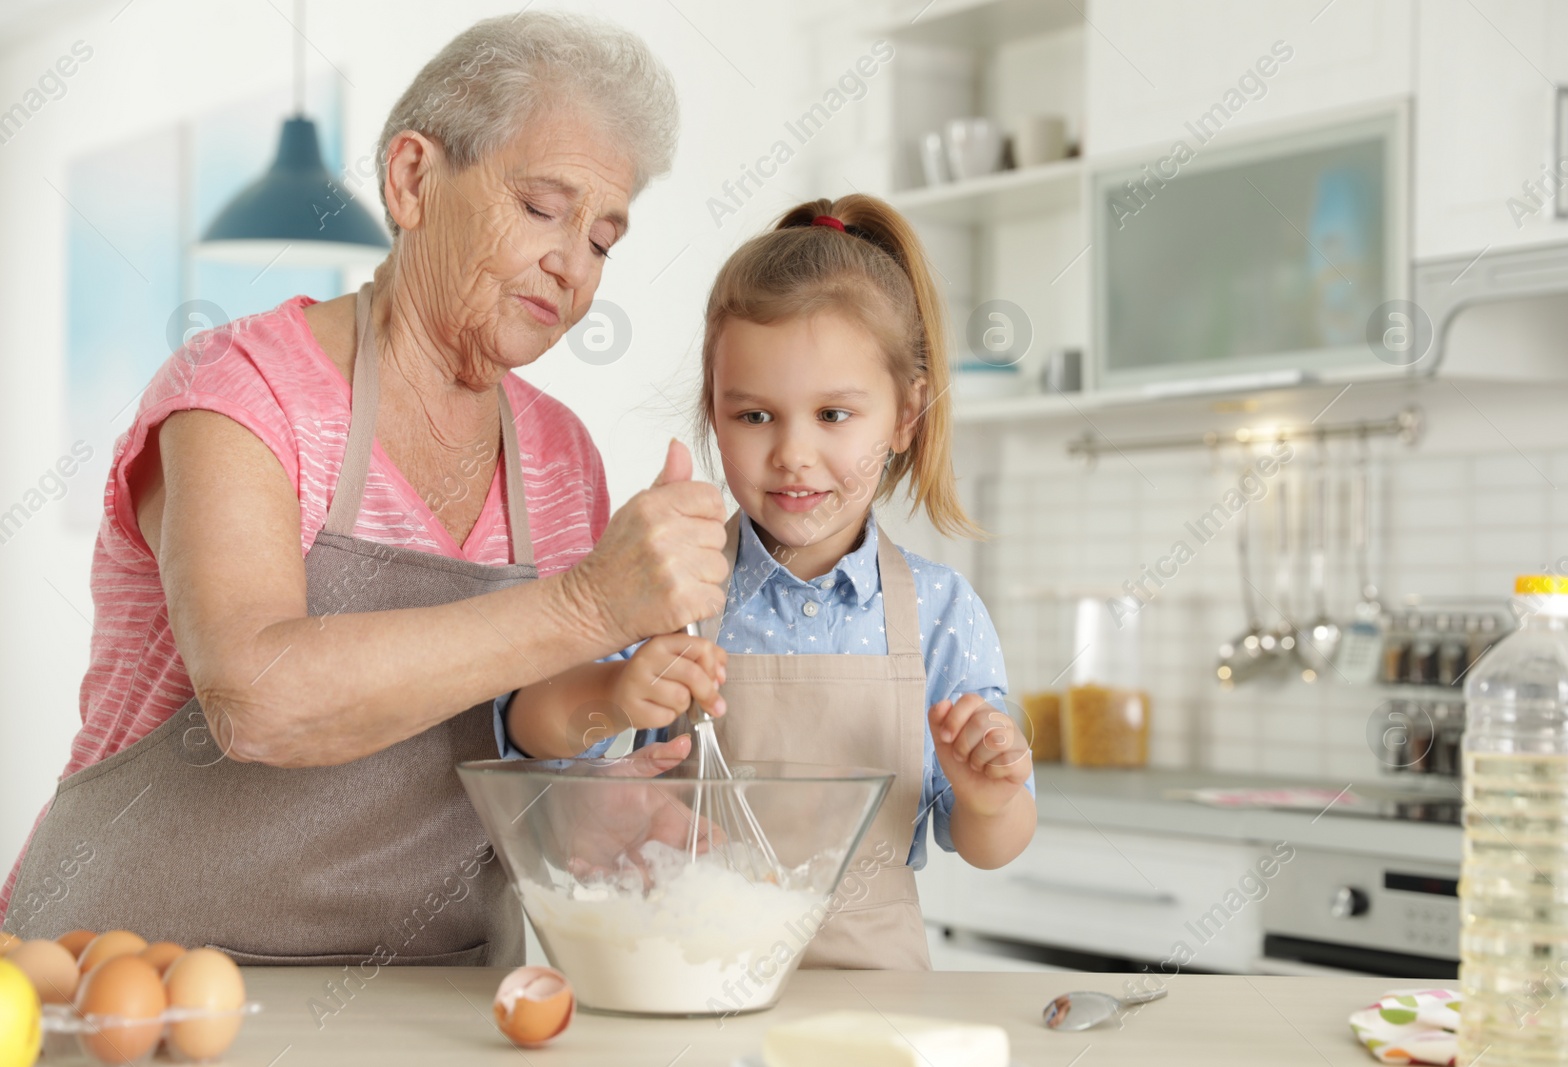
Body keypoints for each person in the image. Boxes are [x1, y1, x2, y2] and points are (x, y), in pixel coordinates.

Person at [0, 13, 731, 968]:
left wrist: (608, 790)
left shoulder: (562, 457)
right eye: (545, 208)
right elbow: (259, 699)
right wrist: (590, 603)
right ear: (413, 178)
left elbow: (520, 751)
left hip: (423, 990)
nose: (574, 265)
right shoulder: (238, 389)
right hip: (128, 975)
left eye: (603, 238)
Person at [506, 194, 1037, 969]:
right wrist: (613, 699)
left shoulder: (940, 611)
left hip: (873, 1014)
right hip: (686, 993)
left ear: (905, 417)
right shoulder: (669, 588)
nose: (792, 453)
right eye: (754, 416)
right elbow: (528, 727)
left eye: (832, 414)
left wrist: (990, 792)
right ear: (713, 415)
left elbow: (991, 842)